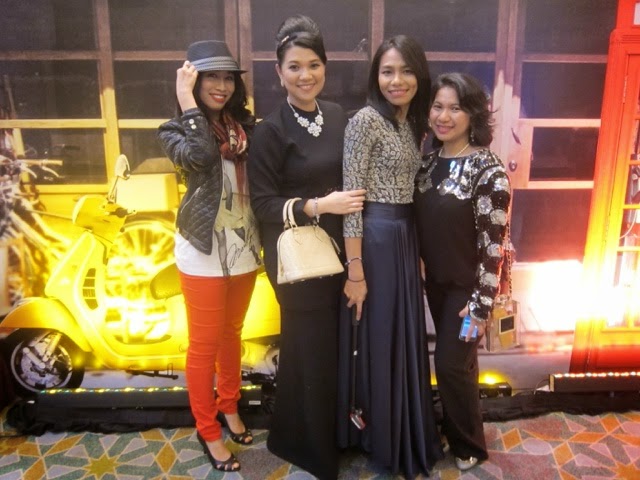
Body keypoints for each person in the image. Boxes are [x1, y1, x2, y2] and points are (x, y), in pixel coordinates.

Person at [248, 15, 366, 480]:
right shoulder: (270, 130)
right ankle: (313, 451)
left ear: (325, 67)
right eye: (294, 66)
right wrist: (319, 205)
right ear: (279, 73)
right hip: (297, 260)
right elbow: (262, 204)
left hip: (340, 251)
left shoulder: (337, 116)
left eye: (314, 65)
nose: (305, 75)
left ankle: (310, 435)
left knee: (332, 350)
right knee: (309, 351)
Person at [338, 35, 444, 478]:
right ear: (375, 77)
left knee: (403, 335)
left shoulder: (411, 122)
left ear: (420, 75)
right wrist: (355, 270)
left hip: (404, 238)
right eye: (387, 71)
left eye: (406, 71)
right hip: (376, 239)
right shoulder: (364, 121)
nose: (397, 80)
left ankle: (406, 429)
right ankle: (383, 437)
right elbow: (352, 200)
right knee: (381, 336)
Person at [157, 40, 261, 473]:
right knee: (203, 344)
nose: (221, 86)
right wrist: (187, 103)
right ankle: (207, 429)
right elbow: (200, 157)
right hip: (202, 249)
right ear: (193, 81)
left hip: (244, 244)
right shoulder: (175, 130)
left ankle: (229, 405)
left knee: (233, 332)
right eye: (210, 77)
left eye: (227, 78)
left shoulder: (245, 127)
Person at [414, 72, 512, 471]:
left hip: (468, 291)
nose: (444, 116)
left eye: (455, 108)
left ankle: (469, 445)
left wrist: (480, 305)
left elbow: (493, 247)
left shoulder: (489, 171)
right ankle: (462, 432)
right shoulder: (427, 163)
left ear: (473, 113)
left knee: (451, 364)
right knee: (462, 365)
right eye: (438, 106)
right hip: (435, 285)